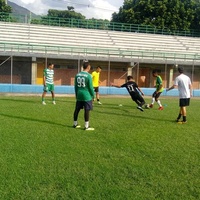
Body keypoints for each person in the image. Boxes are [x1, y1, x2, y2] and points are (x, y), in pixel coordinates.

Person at [73, 60, 95, 130]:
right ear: (88, 67)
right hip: (86, 95)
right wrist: (93, 96)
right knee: (87, 110)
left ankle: (75, 124)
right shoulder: (89, 76)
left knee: (77, 109)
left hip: (79, 94)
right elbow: (90, 88)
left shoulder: (77, 75)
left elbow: (75, 86)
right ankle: (86, 126)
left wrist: (76, 94)